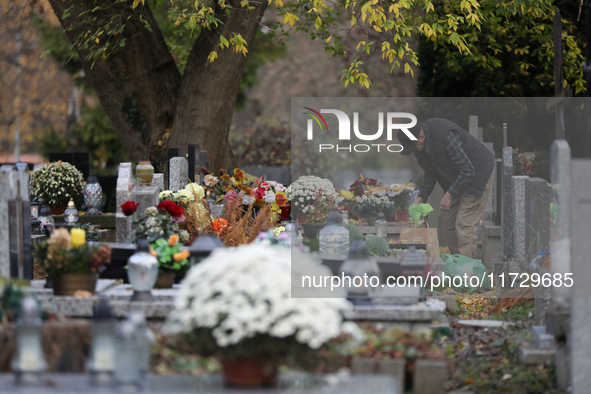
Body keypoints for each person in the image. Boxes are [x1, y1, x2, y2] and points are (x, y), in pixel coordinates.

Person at [397, 118, 495, 258]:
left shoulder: (445, 135)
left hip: (478, 172)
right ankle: (458, 263)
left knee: (464, 224)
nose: (414, 150)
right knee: (449, 226)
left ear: (422, 136)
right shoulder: (419, 147)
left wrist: (448, 195)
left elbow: (467, 170)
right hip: (458, 178)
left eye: (414, 146)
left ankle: (467, 272)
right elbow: (430, 174)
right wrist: (418, 200)